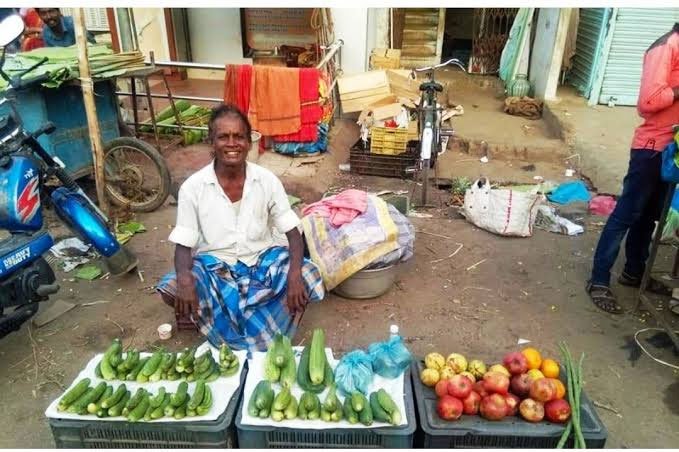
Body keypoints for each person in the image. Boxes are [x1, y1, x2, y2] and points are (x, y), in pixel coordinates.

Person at [156, 104, 325, 351]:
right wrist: (184, 280)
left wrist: (294, 275)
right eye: (223, 137)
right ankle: (246, 324)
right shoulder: (194, 188)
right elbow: (184, 244)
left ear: (249, 142)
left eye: (239, 137)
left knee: (307, 273)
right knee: (172, 285)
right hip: (216, 267)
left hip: (261, 262)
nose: (232, 143)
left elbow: (293, 234)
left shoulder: (267, 181)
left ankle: (271, 326)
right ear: (211, 142)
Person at [587, 23, 679, 314]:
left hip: (671, 150)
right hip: (652, 147)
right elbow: (648, 101)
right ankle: (599, 279)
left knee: (649, 217)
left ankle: (633, 273)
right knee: (627, 213)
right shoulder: (667, 47)